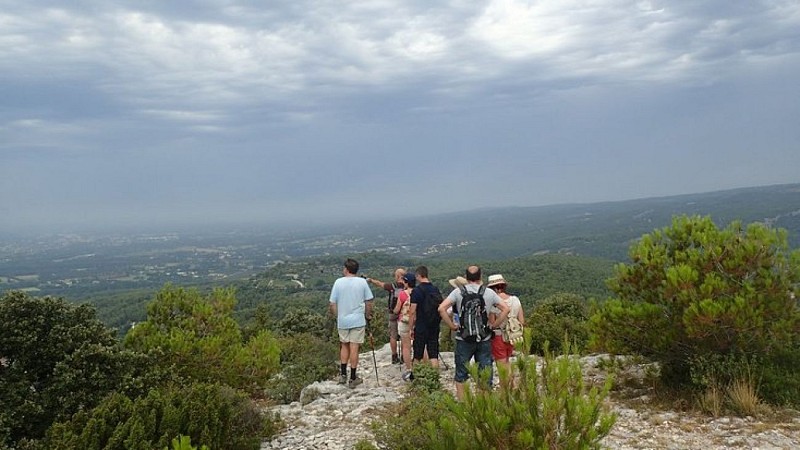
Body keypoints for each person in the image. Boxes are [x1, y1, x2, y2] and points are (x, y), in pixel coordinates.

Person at [438, 265, 509, 400]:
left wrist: (452, 326)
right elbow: (506, 309)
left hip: (463, 338)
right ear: (480, 277)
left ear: (466, 277)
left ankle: (464, 405)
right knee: (485, 375)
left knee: (461, 374)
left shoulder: (458, 292)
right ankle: (484, 404)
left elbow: (441, 308)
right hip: (484, 338)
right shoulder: (488, 292)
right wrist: (494, 325)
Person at [329, 258, 374, 388]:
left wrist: (337, 316)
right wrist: (367, 315)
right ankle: (353, 378)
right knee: (354, 347)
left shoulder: (338, 282)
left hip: (343, 320)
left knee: (344, 345)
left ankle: (343, 374)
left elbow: (332, 303)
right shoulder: (362, 282)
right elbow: (369, 301)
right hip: (358, 320)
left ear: (346, 269)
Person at [486, 274, 525, 381]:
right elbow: (522, 321)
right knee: (507, 362)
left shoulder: (494, 303)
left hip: (499, 337)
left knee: (502, 367)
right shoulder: (515, 299)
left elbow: (492, 323)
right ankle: (513, 386)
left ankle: (506, 389)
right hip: (513, 336)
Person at [367, 268, 406, 365]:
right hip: (404, 314)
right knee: (403, 335)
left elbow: (380, 284)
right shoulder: (407, 287)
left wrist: (371, 280)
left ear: (398, 276)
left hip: (393, 313)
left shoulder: (392, 286)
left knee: (393, 335)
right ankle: (404, 356)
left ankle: (394, 356)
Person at [408, 265, 443, 370]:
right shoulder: (435, 289)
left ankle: (416, 376)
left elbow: (412, 311)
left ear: (419, 275)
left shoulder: (416, 291)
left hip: (421, 326)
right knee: (433, 354)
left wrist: (410, 328)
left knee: (417, 355)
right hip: (434, 325)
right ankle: (435, 376)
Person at [394, 272, 416, 380]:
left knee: (406, 347)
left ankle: (409, 369)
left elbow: (397, 309)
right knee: (421, 345)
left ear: (406, 282)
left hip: (404, 322)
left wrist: (394, 311)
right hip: (416, 322)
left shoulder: (403, 294)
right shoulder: (418, 292)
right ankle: (423, 366)